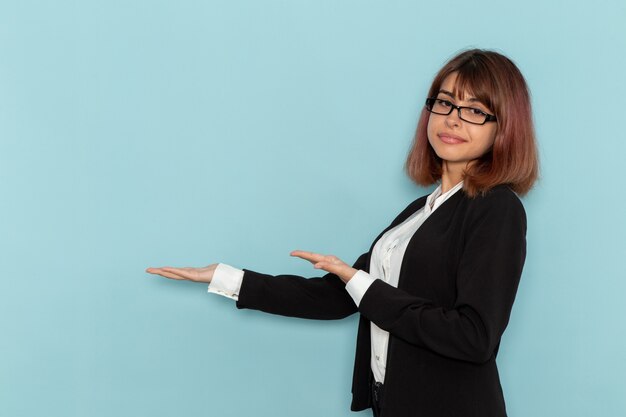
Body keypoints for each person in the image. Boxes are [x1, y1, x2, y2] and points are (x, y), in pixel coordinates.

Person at [146, 48, 539, 417]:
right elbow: (337, 298)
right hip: (393, 402)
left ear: (503, 128)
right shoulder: (418, 213)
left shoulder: (496, 208)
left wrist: (361, 284)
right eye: (445, 102)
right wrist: (225, 278)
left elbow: (474, 337)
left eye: (474, 110)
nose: (452, 118)